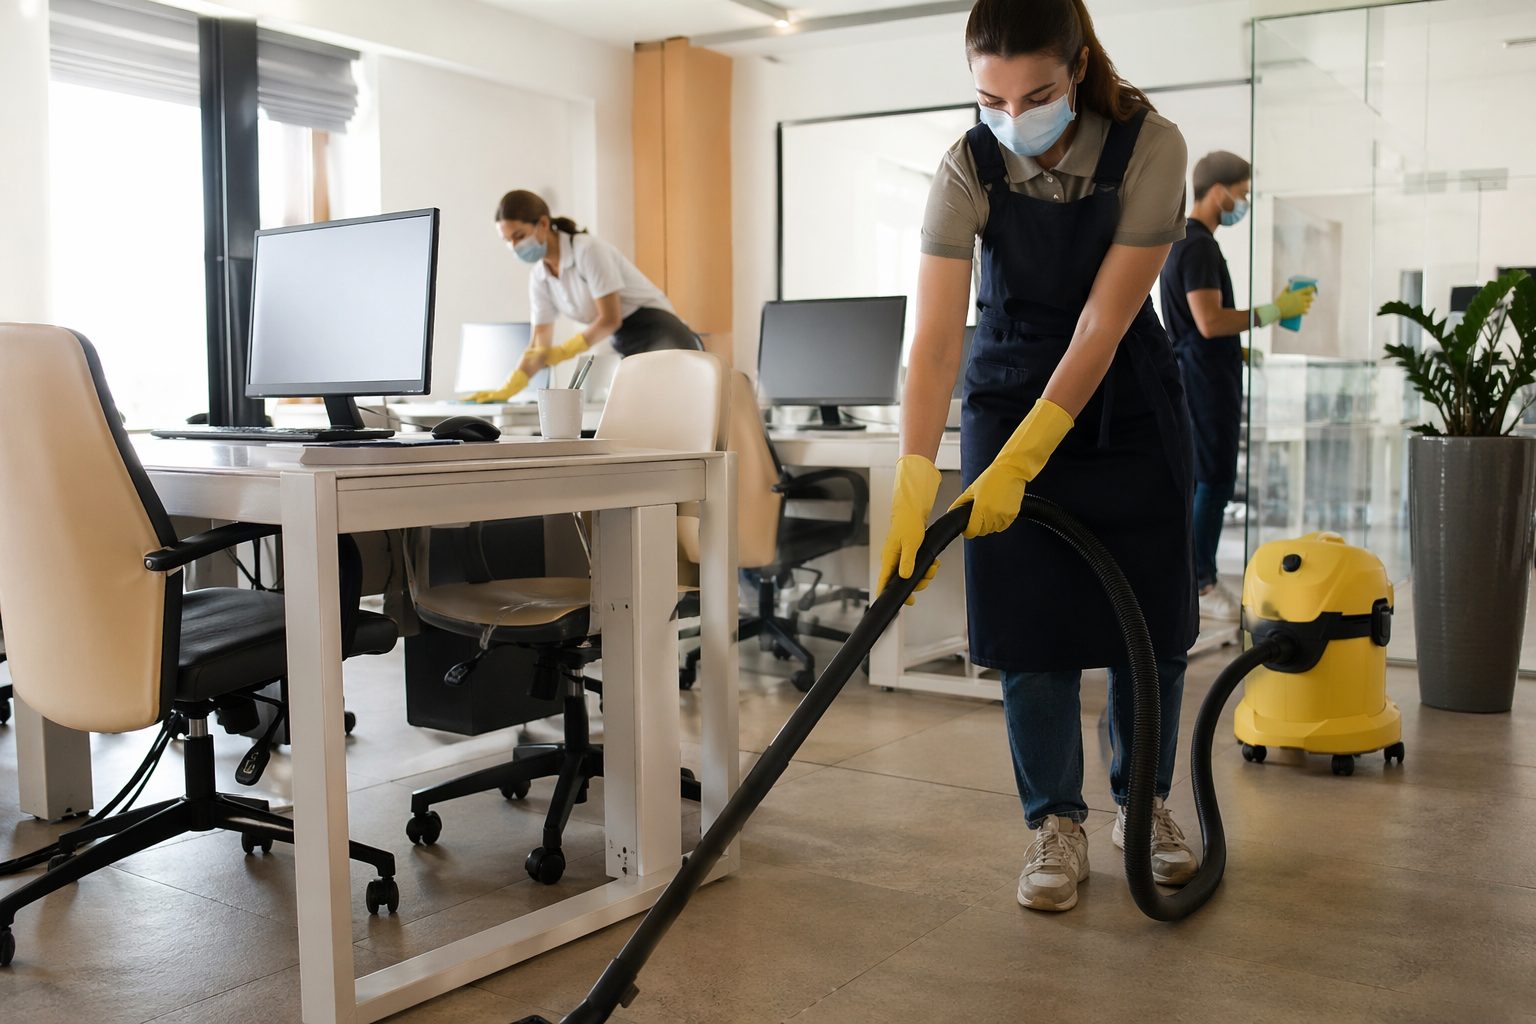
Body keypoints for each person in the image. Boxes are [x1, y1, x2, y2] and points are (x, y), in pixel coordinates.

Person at [879, 0, 1199, 913]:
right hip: (1006, 386)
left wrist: (1030, 457)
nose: (1014, 120)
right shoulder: (965, 164)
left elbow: (1103, 324)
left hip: (1125, 402)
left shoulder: (1150, 147)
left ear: (1079, 65)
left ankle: (1145, 804)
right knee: (1029, 626)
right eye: (991, 98)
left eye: (1038, 95)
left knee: (1155, 624)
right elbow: (936, 339)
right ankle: (1054, 823)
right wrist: (915, 474)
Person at [1158, 152, 1316, 621]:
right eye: (1242, 195)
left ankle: (1193, 576)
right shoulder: (1199, 245)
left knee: (1203, 477)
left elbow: (1193, 326)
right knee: (1213, 479)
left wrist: (1237, 350)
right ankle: (1202, 581)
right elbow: (1208, 321)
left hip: (1202, 373)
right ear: (1219, 190)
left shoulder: (1180, 243)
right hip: (1205, 383)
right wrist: (1271, 311)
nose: (1243, 203)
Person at [468, 190, 701, 402]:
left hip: (660, 331)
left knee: (682, 409)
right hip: (625, 341)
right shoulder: (540, 277)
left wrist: (565, 351)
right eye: (507, 240)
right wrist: (509, 387)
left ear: (543, 224)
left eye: (519, 236)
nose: (514, 246)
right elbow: (538, 345)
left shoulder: (587, 250)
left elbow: (610, 319)